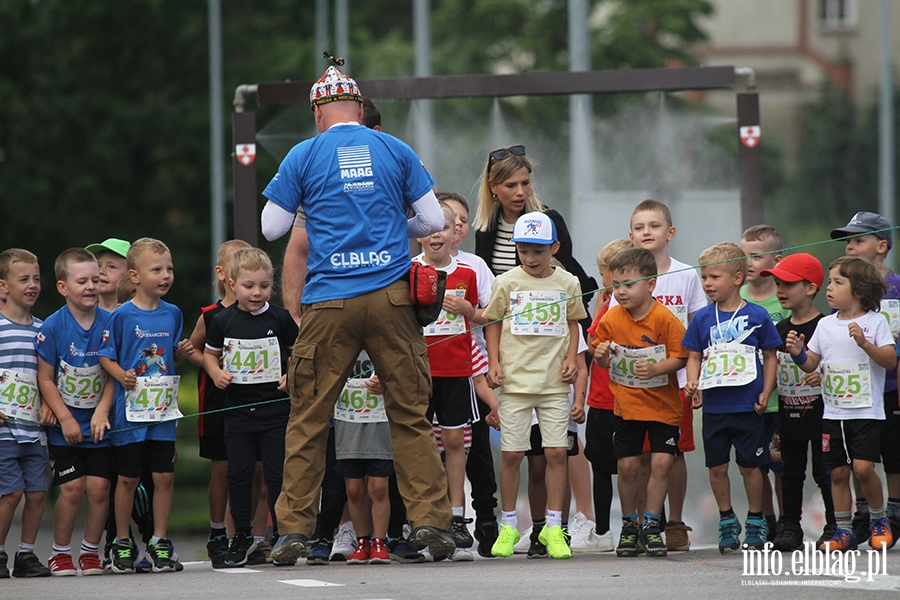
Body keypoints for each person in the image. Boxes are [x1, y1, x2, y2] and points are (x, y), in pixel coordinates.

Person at [260, 61, 455, 563]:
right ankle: (431, 524)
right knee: (410, 415)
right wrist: (393, 223)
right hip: (392, 297)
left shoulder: (304, 153)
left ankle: (293, 533)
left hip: (330, 301)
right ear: (361, 108)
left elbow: (272, 229)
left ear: (319, 111)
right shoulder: (395, 148)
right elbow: (433, 220)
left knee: (307, 418)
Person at [482, 211, 587, 560]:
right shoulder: (506, 282)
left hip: (554, 382)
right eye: (524, 251)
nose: (530, 258)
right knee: (513, 454)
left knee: (557, 452)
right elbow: (493, 322)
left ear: (554, 248)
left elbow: (574, 323)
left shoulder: (568, 282)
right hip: (515, 382)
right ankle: (509, 524)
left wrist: (573, 358)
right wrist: (493, 362)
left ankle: (554, 527)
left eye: (538, 251)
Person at [786, 255, 897, 551]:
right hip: (833, 413)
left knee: (863, 469)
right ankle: (843, 529)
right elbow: (812, 364)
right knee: (836, 472)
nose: (829, 289)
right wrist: (798, 353)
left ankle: (878, 519)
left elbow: (889, 360)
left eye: (838, 282)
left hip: (866, 412)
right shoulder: (825, 325)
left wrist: (865, 343)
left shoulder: (876, 322)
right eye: (830, 282)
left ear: (859, 291)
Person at [98, 238, 195, 573]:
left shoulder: (174, 314)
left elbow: (168, 359)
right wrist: (121, 375)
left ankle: (159, 540)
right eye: (157, 270)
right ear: (136, 276)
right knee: (127, 478)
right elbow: (106, 356)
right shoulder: (122, 315)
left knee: (164, 477)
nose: (166, 275)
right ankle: (122, 541)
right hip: (130, 415)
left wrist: (180, 355)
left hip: (163, 414)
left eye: (169, 268)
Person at [615, 199, 706, 551]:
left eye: (653, 226)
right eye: (639, 227)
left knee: (674, 454)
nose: (646, 233)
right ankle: (638, 524)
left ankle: (675, 522)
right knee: (638, 457)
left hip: (676, 382)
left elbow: (698, 331)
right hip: (635, 386)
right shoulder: (622, 280)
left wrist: (698, 377)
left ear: (670, 233)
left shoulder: (685, 275)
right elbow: (607, 329)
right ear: (631, 235)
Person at [683, 242, 781, 554]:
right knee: (717, 466)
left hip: (748, 406)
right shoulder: (701, 319)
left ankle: (755, 519)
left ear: (738, 278)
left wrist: (767, 391)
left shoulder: (757, 315)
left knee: (751, 467)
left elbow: (770, 356)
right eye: (704, 278)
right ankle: (727, 518)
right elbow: (694, 355)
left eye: (714, 277)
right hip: (714, 408)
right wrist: (693, 381)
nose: (707, 284)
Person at [203, 248, 298, 567]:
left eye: (264, 286)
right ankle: (241, 536)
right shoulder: (222, 320)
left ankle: (283, 534)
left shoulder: (280, 318)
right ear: (232, 284)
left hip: (274, 413)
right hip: (238, 414)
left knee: (277, 474)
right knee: (239, 474)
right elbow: (208, 354)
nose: (256, 293)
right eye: (248, 286)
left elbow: (295, 353)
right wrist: (216, 373)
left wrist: (289, 375)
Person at [593, 248, 687, 558]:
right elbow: (600, 354)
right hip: (628, 406)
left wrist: (658, 368)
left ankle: (651, 524)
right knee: (628, 466)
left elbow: (681, 354)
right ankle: (629, 524)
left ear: (650, 284)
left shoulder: (664, 318)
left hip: (663, 407)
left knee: (662, 463)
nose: (621, 291)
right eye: (616, 284)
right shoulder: (611, 317)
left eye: (629, 284)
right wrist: (602, 356)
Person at [35, 249, 115, 577]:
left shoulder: (112, 323)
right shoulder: (53, 327)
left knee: (99, 489)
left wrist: (102, 411)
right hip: (65, 427)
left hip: (100, 425)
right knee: (72, 489)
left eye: (96, 280)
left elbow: (114, 374)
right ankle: (60, 553)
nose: (91, 286)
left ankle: (91, 551)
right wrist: (65, 418)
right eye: (82, 281)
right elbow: (45, 378)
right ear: (63, 287)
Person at [415, 203, 484, 556]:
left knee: (455, 442)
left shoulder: (467, 273)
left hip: (456, 371)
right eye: (429, 227)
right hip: (418, 372)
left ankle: (457, 515)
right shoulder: (408, 271)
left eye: (443, 227)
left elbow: (484, 315)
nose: (436, 234)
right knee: (420, 444)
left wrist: (468, 310)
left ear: (454, 231)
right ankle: (422, 517)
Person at [757, 253, 835, 551]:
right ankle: (789, 526)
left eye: (788, 284)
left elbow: (838, 361)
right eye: (778, 283)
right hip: (788, 413)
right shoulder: (777, 330)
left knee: (825, 471)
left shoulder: (826, 326)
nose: (780, 290)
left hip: (823, 413)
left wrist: (822, 375)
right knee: (789, 471)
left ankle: (834, 523)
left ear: (811, 287)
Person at [830, 211, 900, 545]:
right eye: (848, 241)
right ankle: (863, 514)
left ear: (882, 245)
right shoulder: (842, 293)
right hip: (856, 393)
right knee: (861, 457)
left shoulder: (897, 287)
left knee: (893, 452)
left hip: (892, 385)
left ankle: (894, 512)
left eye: (859, 240)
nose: (851, 247)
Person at [440, 191, 501, 556]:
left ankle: (486, 517)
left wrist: (468, 310)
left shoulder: (475, 265)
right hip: (434, 367)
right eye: (450, 220)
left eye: (462, 220)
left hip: (470, 363)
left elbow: (493, 314)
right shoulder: (416, 263)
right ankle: (436, 520)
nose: (457, 225)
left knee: (476, 449)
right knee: (435, 448)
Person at [472, 145, 595, 322]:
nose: (520, 192)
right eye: (511, 185)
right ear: (493, 187)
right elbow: (484, 286)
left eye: (525, 183)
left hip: (549, 322)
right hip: (505, 327)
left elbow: (569, 277)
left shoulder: (549, 220)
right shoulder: (485, 228)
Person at [187, 239, 252, 568]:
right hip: (218, 399)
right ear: (222, 272)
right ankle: (216, 532)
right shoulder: (211, 315)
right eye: (235, 263)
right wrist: (210, 367)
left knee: (253, 470)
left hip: (253, 399)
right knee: (223, 467)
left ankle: (248, 534)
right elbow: (193, 348)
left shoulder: (260, 312)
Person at [0, 248, 51, 578]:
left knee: (35, 492)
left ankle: (27, 554)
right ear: (3, 286)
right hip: (4, 429)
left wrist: (49, 405)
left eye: (36, 278)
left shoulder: (44, 329)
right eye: (23, 279)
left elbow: (50, 375)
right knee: (11, 492)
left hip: (35, 428)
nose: (32, 284)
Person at [584, 238, 633, 554]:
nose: (609, 284)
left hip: (626, 399)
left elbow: (592, 343)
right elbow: (593, 347)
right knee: (600, 463)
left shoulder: (626, 306)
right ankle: (603, 530)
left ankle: (642, 523)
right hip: (601, 396)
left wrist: (600, 313)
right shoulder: (608, 304)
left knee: (635, 464)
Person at [739, 225, 788, 541]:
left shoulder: (784, 298)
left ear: (777, 260)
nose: (749, 263)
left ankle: (787, 520)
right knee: (754, 466)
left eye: (757, 257)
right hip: (747, 400)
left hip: (782, 399)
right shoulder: (736, 297)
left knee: (781, 465)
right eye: (744, 257)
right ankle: (766, 521)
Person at [85, 239, 130, 313]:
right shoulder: (84, 313)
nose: (101, 271)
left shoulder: (134, 314)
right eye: (98, 265)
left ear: (130, 275)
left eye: (112, 267)